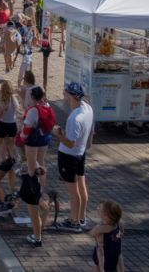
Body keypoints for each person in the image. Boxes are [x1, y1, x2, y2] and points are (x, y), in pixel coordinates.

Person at [54, 82, 94, 232]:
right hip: (80, 153)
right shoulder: (88, 108)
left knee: (73, 192)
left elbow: (70, 143)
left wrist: (58, 135)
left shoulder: (74, 118)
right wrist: (86, 147)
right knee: (82, 186)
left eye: (65, 93)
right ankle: (81, 217)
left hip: (69, 156)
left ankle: (74, 222)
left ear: (69, 96)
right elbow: (90, 133)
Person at [0, 81, 18, 174]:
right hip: (13, 125)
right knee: (10, 146)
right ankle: (15, 167)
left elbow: (0, 115)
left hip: (3, 126)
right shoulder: (14, 100)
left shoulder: (2, 103)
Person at [89, 200, 125, 272]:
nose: (97, 208)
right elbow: (118, 251)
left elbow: (100, 251)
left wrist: (101, 269)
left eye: (99, 208)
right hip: (113, 257)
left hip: (104, 259)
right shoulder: (118, 225)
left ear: (106, 215)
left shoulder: (101, 229)